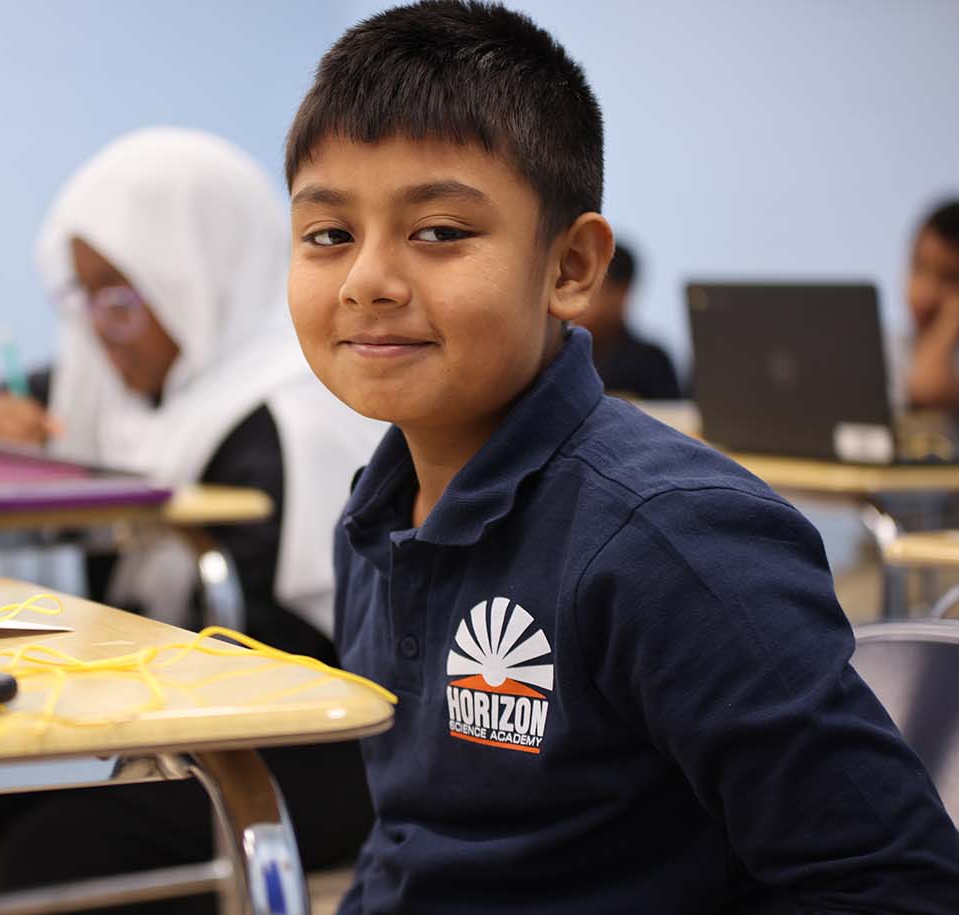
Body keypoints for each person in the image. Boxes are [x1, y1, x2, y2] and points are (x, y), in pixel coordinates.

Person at [283, 3, 959, 913]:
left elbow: (892, 883)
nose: (367, 277)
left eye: (439, 231)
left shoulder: (671, 542)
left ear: (570, 266)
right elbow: (414, 840)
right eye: (329, 235)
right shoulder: (375, 515)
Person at [0, 127, 382, 914]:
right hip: (149, 704)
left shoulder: (295, 411)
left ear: (194, 277)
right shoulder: (140, 391)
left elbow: (268, 651)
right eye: (81, 298)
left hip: (301, 741)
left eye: (120, 298)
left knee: (48, 864)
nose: (97, 330)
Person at [572, 241, 680, 399]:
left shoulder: (652, 362)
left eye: (588, 287)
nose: (573, 297)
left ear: (622, 291)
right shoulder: (557, 357)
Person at [904, 200, 959, 411]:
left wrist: (946, 327)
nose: (925, 293)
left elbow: (928, 389)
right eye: (918, 267)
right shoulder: (892, 349)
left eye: (949, 279)